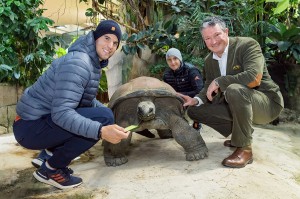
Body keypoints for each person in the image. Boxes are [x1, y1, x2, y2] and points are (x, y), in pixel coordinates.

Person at [13, 19, 129, 189]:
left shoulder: (91, 62)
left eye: (115, 43)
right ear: (95, 37)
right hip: (29, 128)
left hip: (34, 122)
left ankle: (48, 154)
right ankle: (50, 169)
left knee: (105, 115)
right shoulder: (79, 63)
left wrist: (108, 114)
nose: (110, 45)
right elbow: (62, 113)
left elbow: (86, 101)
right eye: (106, 38)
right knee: (102, 120)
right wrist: (101, 130)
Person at [177, 16, 284, 168]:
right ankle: (240, 133)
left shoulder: (247, 45)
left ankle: (244, 148)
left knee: (234, 90)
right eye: (207, 38)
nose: (213, 41)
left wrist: (220, 81)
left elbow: (255, 78)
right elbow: (209, 85)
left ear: (226, 32)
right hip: (240, 103)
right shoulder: (209, 60)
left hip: (267, 103)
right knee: (194, 111)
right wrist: (196, 100)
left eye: (217, 35)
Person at [163, 48, 204, 130]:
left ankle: (196, 125)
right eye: (169, 60)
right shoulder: (167, 75)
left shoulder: (192, 71)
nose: (173, 62)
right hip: (176, 100)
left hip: (193, 99)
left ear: (180, 58)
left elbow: (200, 90)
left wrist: (181, 95)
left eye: (175, 59)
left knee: (195, 105)